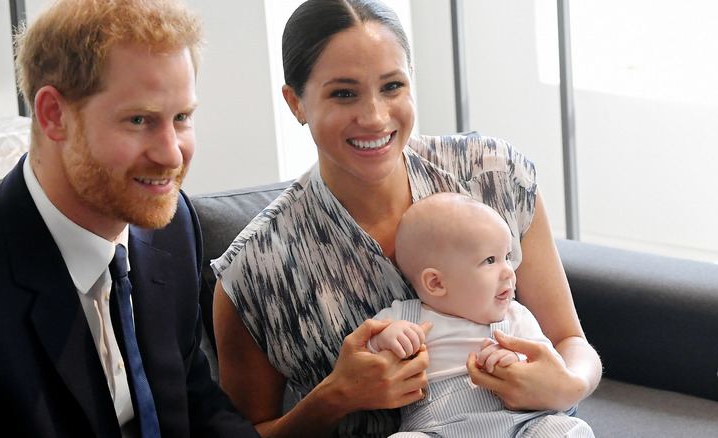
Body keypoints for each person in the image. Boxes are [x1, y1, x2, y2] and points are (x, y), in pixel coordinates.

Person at [211, 0, 602, 436]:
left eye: (392, 86)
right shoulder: (255, 269)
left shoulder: (492, 175)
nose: (375, 116)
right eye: (344, 93)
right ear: (296, 103)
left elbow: (569, 339)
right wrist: (336, 396)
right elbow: (246, 431)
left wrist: (568, 386)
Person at [0, 0, 259, 436]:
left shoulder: (171, 226)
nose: (171, 154)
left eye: (182, 117)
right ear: (54, 115)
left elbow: (194, 402)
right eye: (140, 120)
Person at [367, 192, 594, 437]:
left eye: (507, 257)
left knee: (567, 430)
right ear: (435, 282)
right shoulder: (405, 317)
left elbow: (549, 368)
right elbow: (364, 353)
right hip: (439, 430)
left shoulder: (516, 317)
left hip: (522, 425)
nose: (508, 270)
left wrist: (516, 362)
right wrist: (386, 338)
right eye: (489, 260)